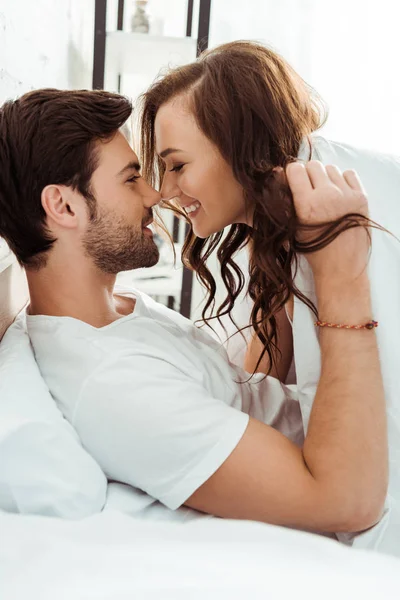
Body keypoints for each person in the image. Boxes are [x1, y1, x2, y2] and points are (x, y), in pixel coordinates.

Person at [0, 89, 387, 540]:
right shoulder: (112, 384)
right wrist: (341, 272)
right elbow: (345, 503)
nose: (155, 195)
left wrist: (277, 277)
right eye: (131, 180)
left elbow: (233, 394)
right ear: (63, 206)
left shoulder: (117, 309)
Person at [140, 40, 400, 552]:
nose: (166, 191)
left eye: (176, 165)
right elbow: (269, 371)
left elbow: (361, 439)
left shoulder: (319, 216)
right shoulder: (285, 203)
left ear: (239, 145)